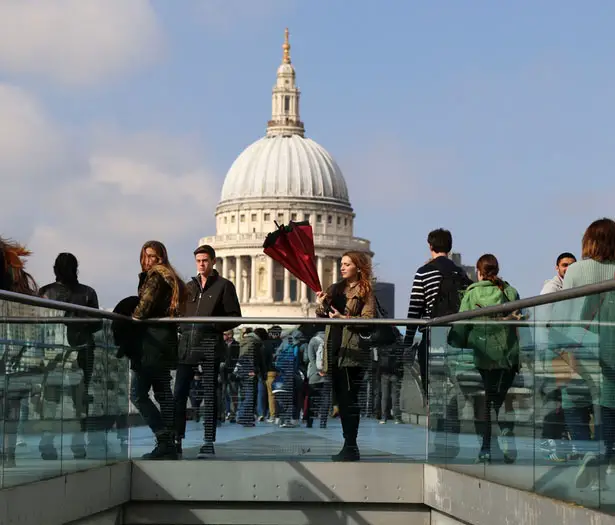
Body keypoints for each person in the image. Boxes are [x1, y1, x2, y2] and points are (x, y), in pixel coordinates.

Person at [552, 218, 615, 490]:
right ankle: (600, 458)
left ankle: (589, 451)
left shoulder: (576, 270)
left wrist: (557, 348)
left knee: (573, 405)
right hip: (611, 350)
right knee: (608, 407)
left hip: (580, 348)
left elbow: (563, 315)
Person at [448, 254, 521, 464]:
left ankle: (486, 448)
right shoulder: (510, 291)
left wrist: (456, 341)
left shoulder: (472, 293)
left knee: (484, 404)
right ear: (496, 270)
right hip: (507, 355)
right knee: (501, 402)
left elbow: (461, 324)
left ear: (479, 272)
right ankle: (506, 439)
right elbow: (520, 323)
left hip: (482, 356)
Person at [174, 244, 241, 459]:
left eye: (205, 260)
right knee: (179, 393)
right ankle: (177, 439)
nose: (201, 264)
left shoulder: (224, 286)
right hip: (187, 345)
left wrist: (213, 327)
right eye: (198, 261)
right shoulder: (188, 287)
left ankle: (208, 441)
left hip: (210, 346)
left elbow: (234, 316)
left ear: (213, 261)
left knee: (210, 395)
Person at [38, 253, 102, 460]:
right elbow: (99, 323)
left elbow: (37, 325)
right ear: (77, 268)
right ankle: (77, 444)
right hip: (82, 349)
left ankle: (47, 443)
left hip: (53, 352)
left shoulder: (45, 293)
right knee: (79, 399)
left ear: (54, 269)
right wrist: (81, 320)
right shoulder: (87, 293)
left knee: (51, 399)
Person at [316, 251, 376, 462]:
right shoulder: (335, 288)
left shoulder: (365, 290)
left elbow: (369, 319)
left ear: (358, 267)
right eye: (341, 263)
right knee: (341, 400)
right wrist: (322, 303)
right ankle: (348, 444)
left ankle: (351, 445)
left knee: (349, 400)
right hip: (334, 348)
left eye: (347, 264)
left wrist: (345, 317)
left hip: (352, 350)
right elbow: (321, 315)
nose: (342, 267)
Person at [131, 240, 187, 460]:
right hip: (165, 342)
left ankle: (164, 439)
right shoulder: (170, 278)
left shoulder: (155, 278)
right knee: (163, 393)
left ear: (160, 257)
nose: (148, 261)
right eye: (145, 256)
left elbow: (141, 311)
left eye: (152, 256)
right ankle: (171, 443)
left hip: (151, 343)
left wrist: (130, 316)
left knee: (137, 394)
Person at [403, 229, 472, 400]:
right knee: (453, 382)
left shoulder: (424, 272)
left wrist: (408, 341)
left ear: (430, 246)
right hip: (457, 336)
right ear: (449, 247)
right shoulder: (461, 273)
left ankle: (436, 415)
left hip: (432, 334)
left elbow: (415, 308)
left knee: (433, 383)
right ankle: (452, 415)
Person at [0, 237, 38, 467]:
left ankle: (8, 454)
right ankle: (9, 455)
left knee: (10, 407)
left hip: (12, 357)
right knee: (12, 409)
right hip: (17, 361)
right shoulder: (22, 296)